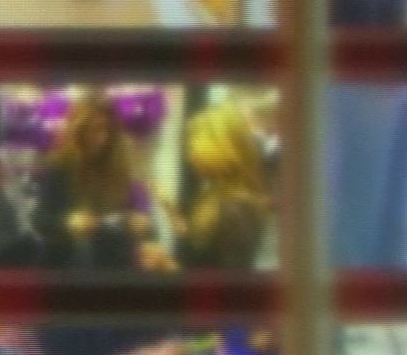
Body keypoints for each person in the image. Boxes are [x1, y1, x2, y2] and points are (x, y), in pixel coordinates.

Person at [32, 91, 155, 270]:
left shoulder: (121, 168)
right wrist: (66, 222)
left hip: (115, 263)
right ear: (79, 130)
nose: (101, 138)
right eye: (92, 130)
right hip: (68, 264)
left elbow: (141, 212)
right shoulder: (60, 167)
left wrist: (142, 223)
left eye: (106, 129)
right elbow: (39, 218)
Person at [175, 102, 270, 271]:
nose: (191, 156)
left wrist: (168, 268)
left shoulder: (237, 210)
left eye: (195, 147)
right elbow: (207, 253)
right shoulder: (213, 192)